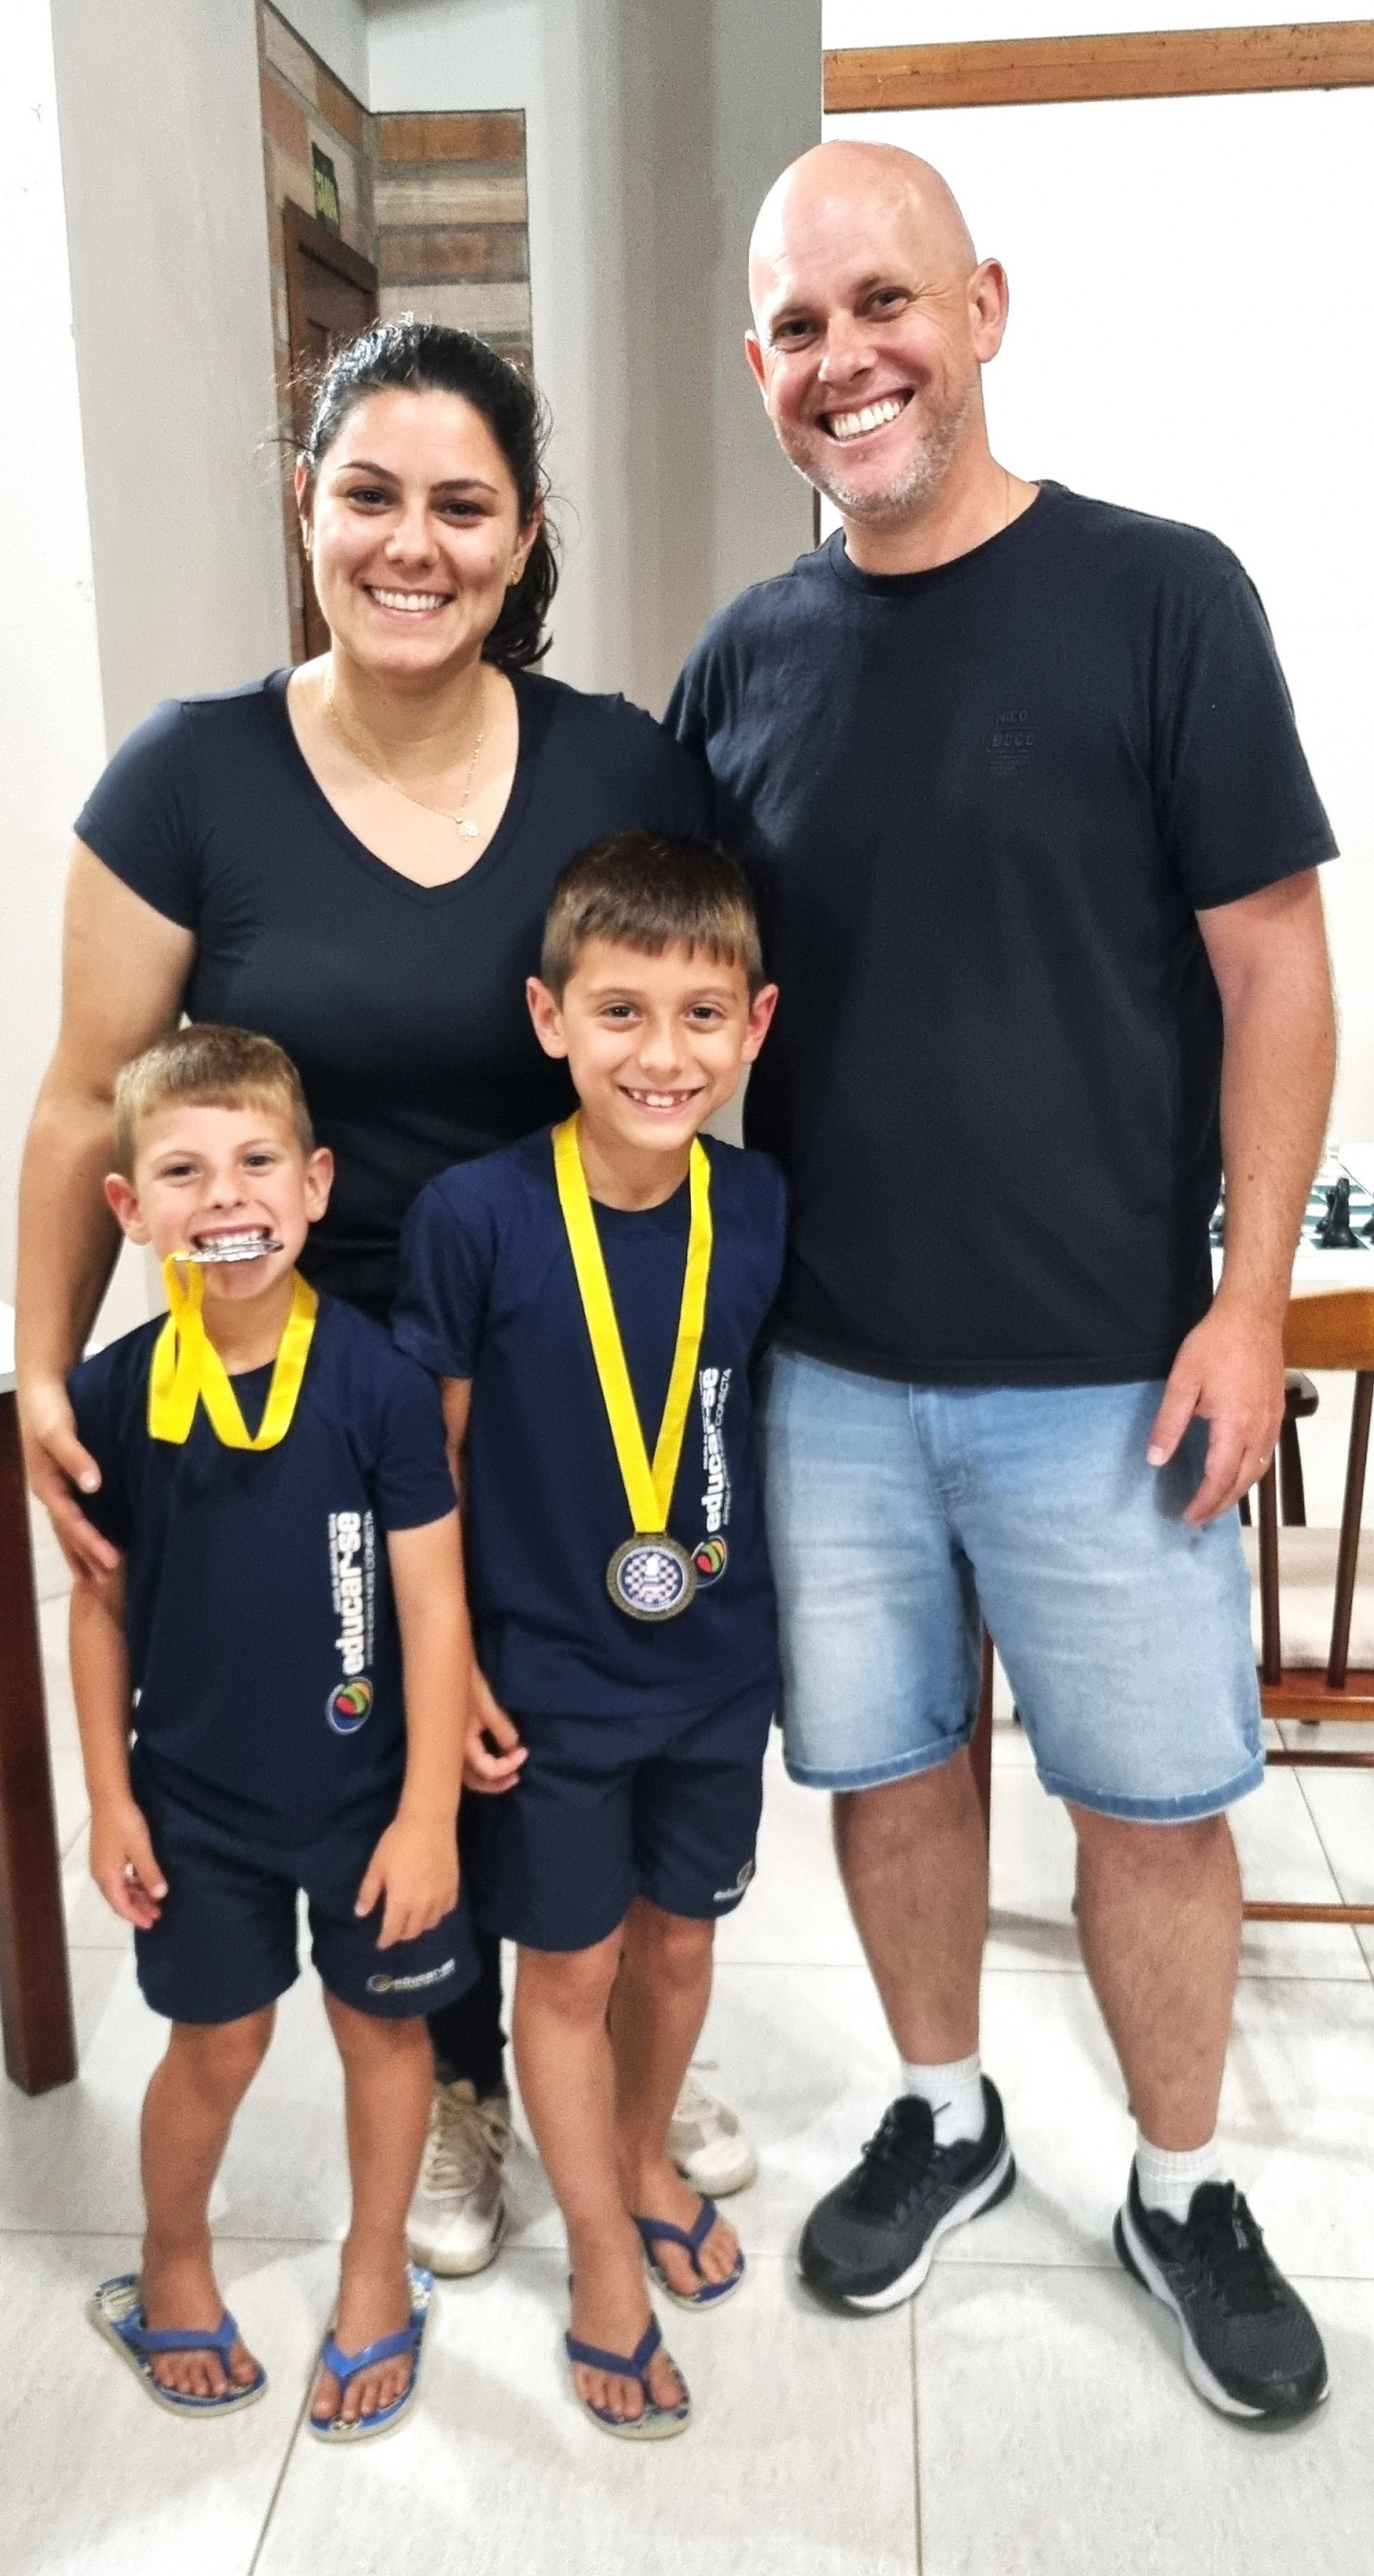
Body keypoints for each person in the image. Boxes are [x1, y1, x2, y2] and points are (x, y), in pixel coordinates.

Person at [667, 140, 1337, 2424]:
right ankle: (944, 2112)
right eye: (797, 326)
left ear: (984, 307)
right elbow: (665, 997)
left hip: (1109, 1369)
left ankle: (1180, 2187)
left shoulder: (1163, 596)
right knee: (890, 1772)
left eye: (886, 302)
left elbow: (1276, 968)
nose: (844, 359)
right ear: (757, 367)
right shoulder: (741, 664)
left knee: (1152, 1805)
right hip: (829, 1372)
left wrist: (1248, 1301)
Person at [16, 317, 754, 2277]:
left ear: (524, 536)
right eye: (368, 495)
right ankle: (458, 2076)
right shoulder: (187, 778)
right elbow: (84, 1097)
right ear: (305, 506)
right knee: (374, 1725)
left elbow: (682, 1012)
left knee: (562, 1706)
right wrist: (40, 1366)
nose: (411, 544)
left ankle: (603, 2046)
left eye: (461, 505)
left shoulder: (619, 763)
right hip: (305, 1368)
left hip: (564, 1351)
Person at [392, 834, 782, 2436]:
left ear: (755, 1026)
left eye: (702, 1015)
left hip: (716, 1668)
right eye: (620, 1011)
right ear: (550, 1017)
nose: (662, 1054)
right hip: (546, 1680)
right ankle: (604, 2258)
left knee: (679, 1944)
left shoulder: (759, 1204)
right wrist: (456, 1671)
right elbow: (432, 1466)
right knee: (570, 1967)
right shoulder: (473, 1216)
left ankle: (635, 2154)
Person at [69, 1027, 471, 2438]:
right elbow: (99, 1609)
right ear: (130, 1207)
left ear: (315, 1185)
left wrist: (429, 1812)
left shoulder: (377, 1381)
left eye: (255, 1161)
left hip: (369, 1804)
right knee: (217, 2047)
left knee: (385, 2038)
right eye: (181, 1171)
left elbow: (432, 1606)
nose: (225, 1195)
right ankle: (169, 2257)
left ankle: (376, 2268)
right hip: (193, 1807)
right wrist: (111, 1800)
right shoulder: (113, 1395)